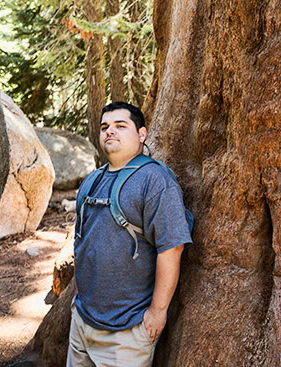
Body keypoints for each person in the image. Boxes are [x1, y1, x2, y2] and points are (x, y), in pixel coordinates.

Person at [67, 102, 193, 366]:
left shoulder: (155, 181)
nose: (110, 131)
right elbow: (83, 241)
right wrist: (77, 300)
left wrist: (157, 313)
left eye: (120, 126)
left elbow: (171, 248)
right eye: (105, 127)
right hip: (81, 325)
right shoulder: (91, 181)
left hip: (127, 333)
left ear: (142, 134)